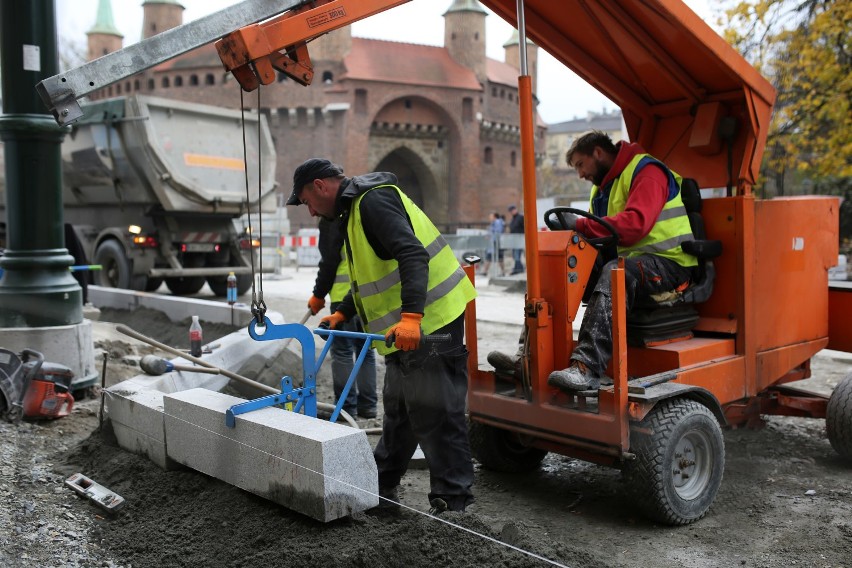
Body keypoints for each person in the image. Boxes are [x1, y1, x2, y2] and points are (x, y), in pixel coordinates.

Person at [287, 158, 477, 515]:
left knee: (437, 410)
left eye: (307, 202)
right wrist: (345, 309)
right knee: (400, 408)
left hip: (431, 317)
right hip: (405, 327)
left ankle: (453, 505)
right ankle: (381, 489)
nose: (310, 212)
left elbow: (412, 254)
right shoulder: (352, 211)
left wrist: (411, 318)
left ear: (319, 186)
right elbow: (371, 276)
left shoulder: (372, 201)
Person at [489, 130, 698, 392]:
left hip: (671, 265)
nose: (580, 174)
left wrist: (582, 225)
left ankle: (587, 368)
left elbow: (635, 225)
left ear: (598, 153)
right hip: (632, 262)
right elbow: (595, 234)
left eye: (580, 164)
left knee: (615, 272)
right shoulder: (602, 190)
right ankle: (529, 357)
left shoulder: (647, 172)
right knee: (559, 267)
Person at [307, 216, 377, 419]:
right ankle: (368, 406)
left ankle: (346, 409)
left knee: (343, 353)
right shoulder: (361, 216)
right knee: (366, 351)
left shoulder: (331, 220)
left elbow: (329, 261)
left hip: (342, 300)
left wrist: (318, 294)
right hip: (367, 298)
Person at [481, 212, 505, 276]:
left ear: (494, 217)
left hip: (497, 242)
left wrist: (491, 235)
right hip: (494, 242)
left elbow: (497, 231)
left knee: (498, 257)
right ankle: (485, 271)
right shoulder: (493, 223)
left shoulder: (497, 222)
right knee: (493, 257)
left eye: (491, 216)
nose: (490, 218)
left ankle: (485, 272)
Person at [507, 205, 525, 274]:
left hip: (519, 239)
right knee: (515, 255)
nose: (512, 212)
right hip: (514, 239)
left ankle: (518, 269)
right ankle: (517, 268)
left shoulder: (520, 217)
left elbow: (524, 227)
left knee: (517, 254)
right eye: (511, 211)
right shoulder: (513, 219)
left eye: (512, 210)